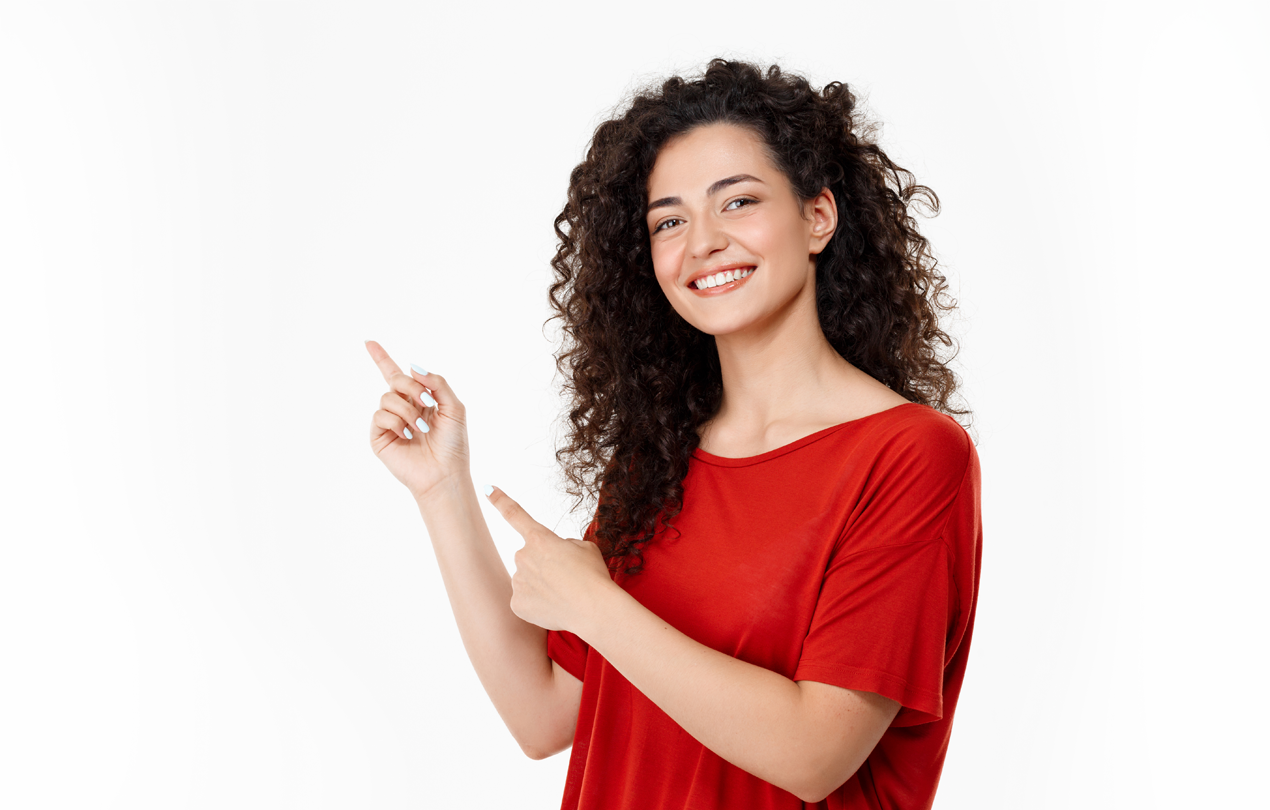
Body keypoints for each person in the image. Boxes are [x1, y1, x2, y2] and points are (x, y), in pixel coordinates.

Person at [365, 59, 981, 810]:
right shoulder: (659, 458)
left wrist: (595, 608)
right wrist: (441, 489)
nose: (702, 243)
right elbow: (543, 715)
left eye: (738, 202)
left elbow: (815, 753)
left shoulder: (910, 455)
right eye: (669, 221)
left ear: (818, 216)